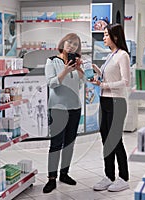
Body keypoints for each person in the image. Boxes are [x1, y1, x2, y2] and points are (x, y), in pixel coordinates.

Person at [43, 33, 85, 193]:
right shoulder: (52, 60)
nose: (72, 46)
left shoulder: (74, 63)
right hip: (58, 109)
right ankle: (51, 178)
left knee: (69, 144)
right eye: (70, 42)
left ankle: (64, 174)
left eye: (75, 44)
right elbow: (51, 83)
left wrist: (79, 69)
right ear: (63, 42)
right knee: (55, 144)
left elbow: (80, 83)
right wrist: (65, 71)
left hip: (75, 108)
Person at [91, 23, 131, 192]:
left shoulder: (123, 56)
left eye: (106, 35)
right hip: (105, 101)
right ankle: (109, 175)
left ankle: (123, 177)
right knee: (106, 140)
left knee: (115, 141)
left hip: (117, 102)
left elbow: (125, 82)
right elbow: (107, 76)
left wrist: (104, 84)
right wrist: (95, 71)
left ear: (115, 37)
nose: (104, 38)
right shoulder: (110, 55)